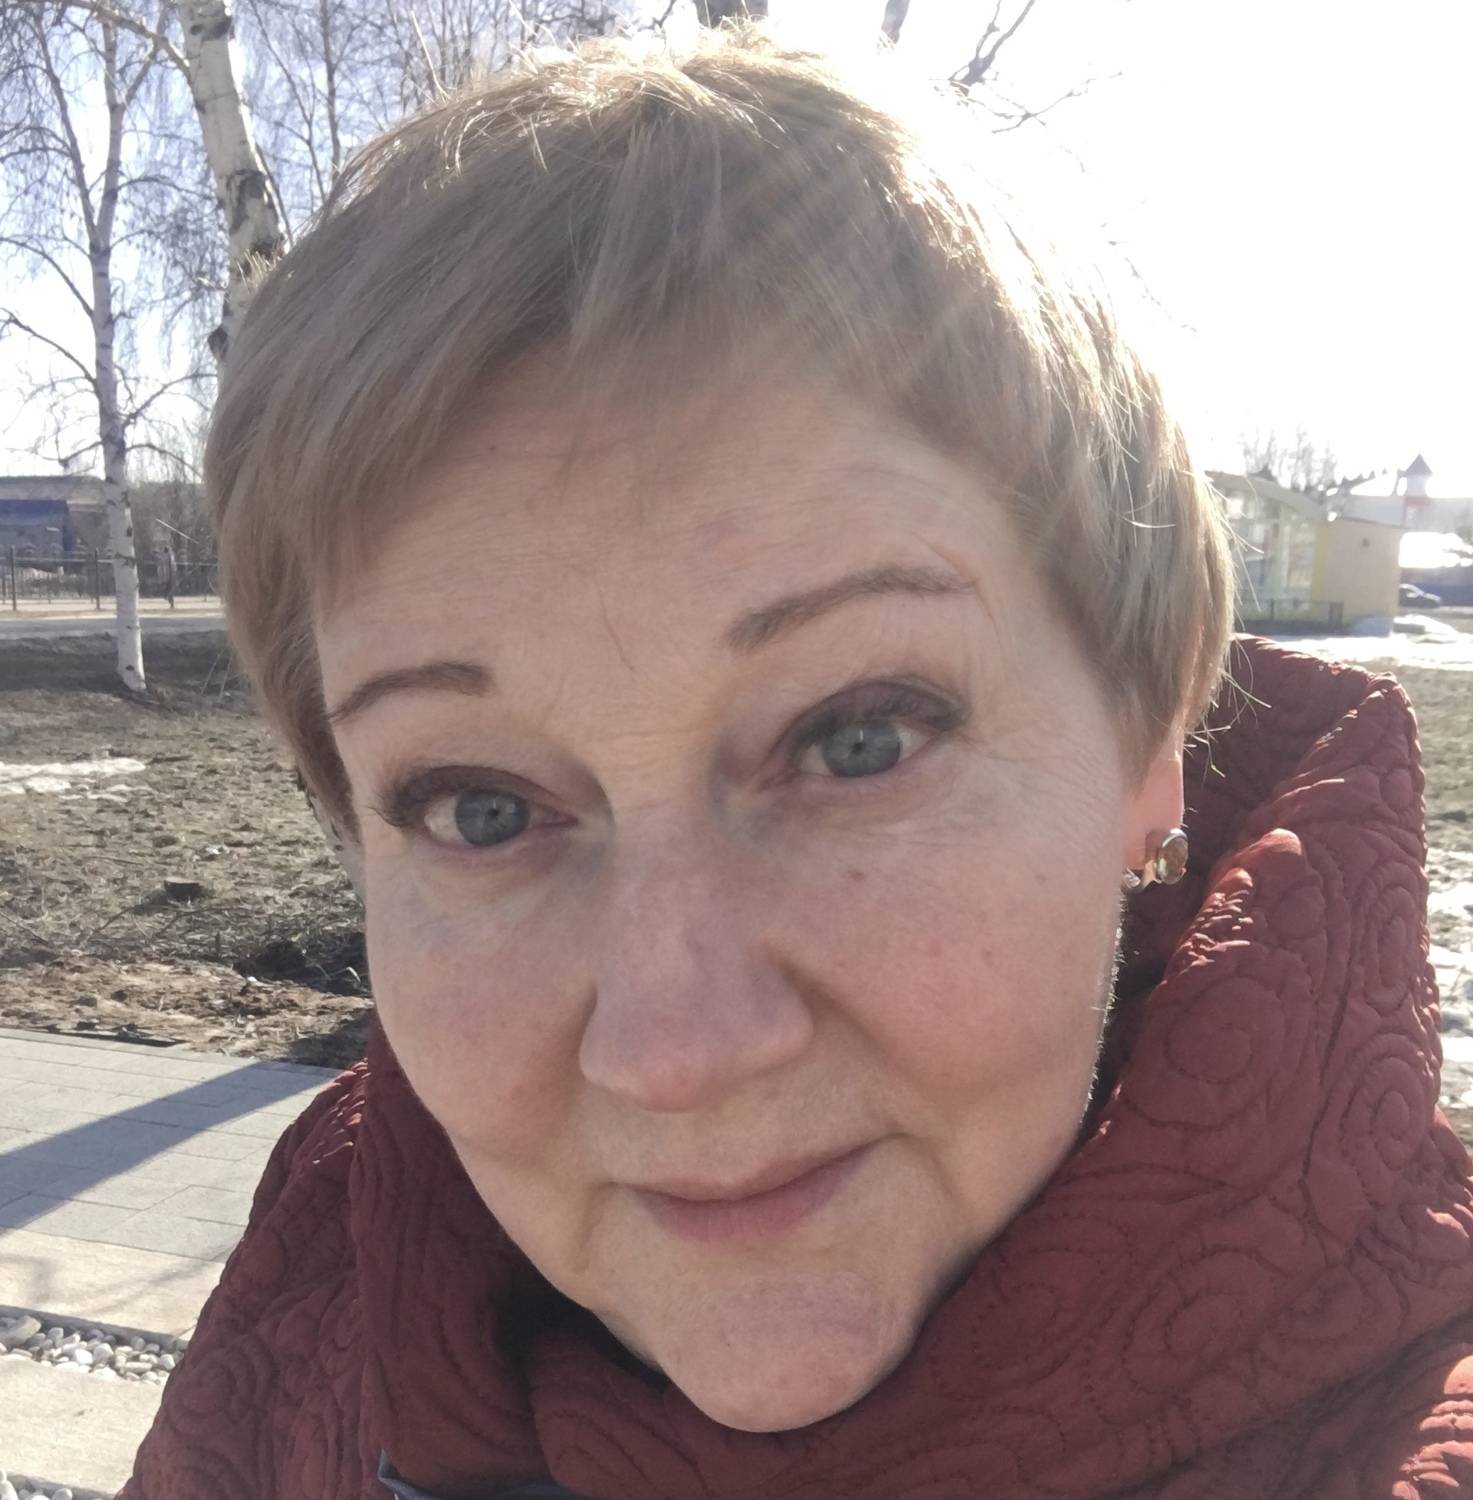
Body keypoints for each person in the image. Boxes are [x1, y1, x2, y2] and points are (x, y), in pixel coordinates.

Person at [120, 26, 1473, 1500]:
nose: (676, 1050)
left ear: (1153, 750)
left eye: (857, 739)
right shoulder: (315, 1300)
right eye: (481, 807)